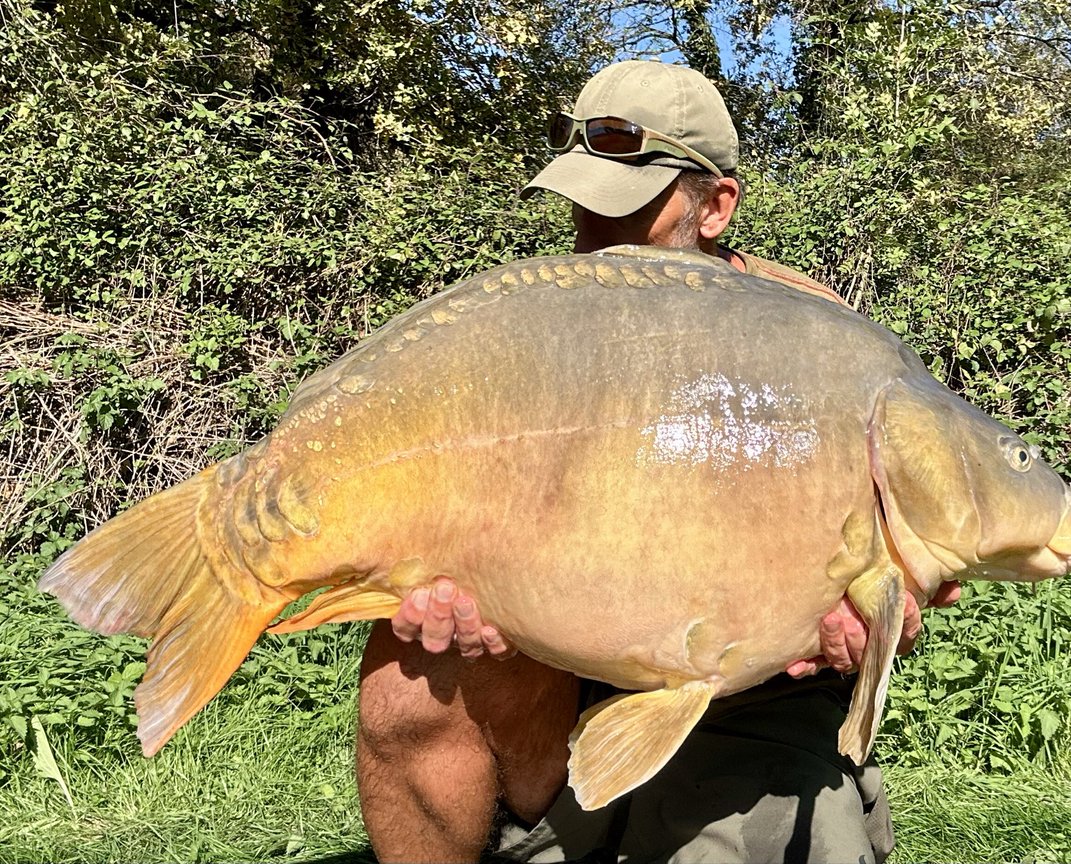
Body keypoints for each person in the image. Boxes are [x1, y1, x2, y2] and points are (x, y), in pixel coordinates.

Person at [356, 60, 960, 864]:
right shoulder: (533, 319)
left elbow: (910, 567)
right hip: (556, 651)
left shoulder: (817, 336)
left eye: (627, 209)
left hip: (744, 678)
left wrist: (878, 614)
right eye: (582, 202)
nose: (592, 233)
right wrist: (460, 571)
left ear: (717, 206)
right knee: (407, 688)